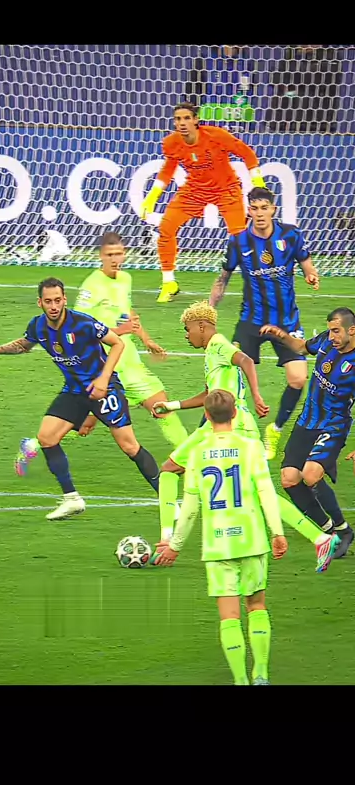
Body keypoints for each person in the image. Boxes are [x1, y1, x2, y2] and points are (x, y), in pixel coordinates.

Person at [152, 300, 340, 572]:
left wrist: (257, 396)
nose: (186, 335)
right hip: (235, 422)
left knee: (170, 469)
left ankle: (167, 538)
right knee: (256, 489)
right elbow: (210, 395)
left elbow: (246, 360)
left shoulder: (218, 344)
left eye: (188, 329)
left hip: (228, 423)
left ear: (202, 326)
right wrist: (172, 406)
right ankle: (321, 539)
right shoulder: (213, 352)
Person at [0, 277, 160, 520]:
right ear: (40, 303)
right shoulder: (38, 326)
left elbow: (117, 343)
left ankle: (167, 497)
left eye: (58, 300)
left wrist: (103, 379)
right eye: (48, 301)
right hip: (75, 390)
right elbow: (24, 345)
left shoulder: (82, 323)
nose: (54, 306)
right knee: (46, 438)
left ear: (65, 300)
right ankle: (72, 499)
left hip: (104, 388)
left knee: (129, 446)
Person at [153, 389, 288, 686]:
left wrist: (174, 546)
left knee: (229, 616)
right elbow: (266, 492)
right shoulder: (251, 447)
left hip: (217, 544)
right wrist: (277, 532)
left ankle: (240, 680)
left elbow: (190, 506)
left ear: (207, 416)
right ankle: (261, 674)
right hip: (251, 538)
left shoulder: (197, 453)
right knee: (256, 605)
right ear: (235, 414)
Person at [210, 186, 320, 460]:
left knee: (298, 379)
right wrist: (209, 309)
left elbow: (307, 264)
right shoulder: (238, 242)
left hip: (286, 322)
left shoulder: (291, 235)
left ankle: (275, 429)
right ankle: (214, 434)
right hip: (251, 321)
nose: (259, 213)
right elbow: (223, 279)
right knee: (227, 380)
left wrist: (311, 275)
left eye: (264, 208)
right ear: (249, 210)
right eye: (254, 208)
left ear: (273, 209)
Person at [139, 102, 265, 303]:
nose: (182, 123)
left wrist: (258, 182)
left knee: (240, 238)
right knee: (166, 228)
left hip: (226, 189)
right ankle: (169, 283)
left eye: (187, 118)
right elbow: (169, 168)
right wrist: (153, 195)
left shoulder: (217, 136)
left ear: (196, 120)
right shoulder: (171, 142)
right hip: (194, 190)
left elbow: (247, 154)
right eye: (178, 119)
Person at [73, 230, 188, 448]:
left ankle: (189, 459)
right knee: (84, 425)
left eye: (118, 253)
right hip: (105, 369)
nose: (114, 259)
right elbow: (78, 328)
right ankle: (35, 444)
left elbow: (128, 313)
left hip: (130, 363)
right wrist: (118, 330)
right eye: (109, 255)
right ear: (100, 256)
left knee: (162, 407)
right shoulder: (92, 286)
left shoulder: (125, 279)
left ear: (125, 253)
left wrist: (146, 339)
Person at [260, 306, 355, 558]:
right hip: (307, 421)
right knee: (289, 478)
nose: (332, 336)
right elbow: (302, 347)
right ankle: (329, 530)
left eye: (337, 331)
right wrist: (281, 335)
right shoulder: (326, 340)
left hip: (333, 424)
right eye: (330, 330)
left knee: (311, 474)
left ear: (352, 331)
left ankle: (344, 530)